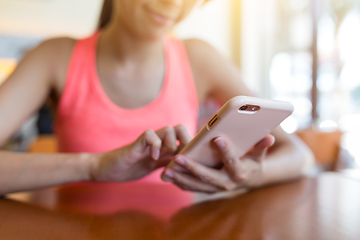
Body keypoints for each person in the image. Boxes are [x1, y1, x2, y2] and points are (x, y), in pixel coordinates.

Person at [0, 0, 314, 195]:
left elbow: (301, 156)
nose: (175, 2)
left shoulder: (200, 58)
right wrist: (94, 166)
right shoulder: (55, 57)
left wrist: (251, 176)